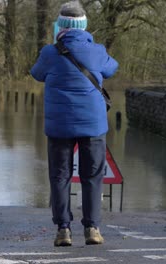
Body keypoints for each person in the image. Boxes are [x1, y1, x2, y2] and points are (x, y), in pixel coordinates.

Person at [30, 0, 118, 247]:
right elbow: (113, 69)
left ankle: (63, 230)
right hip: (93, 124)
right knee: (92, 175)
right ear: (84, 25)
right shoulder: (98, 51)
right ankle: (92, 228)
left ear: (60, 25)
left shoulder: (50, 52)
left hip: (59, 126)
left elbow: (36, 73)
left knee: (60, 176)